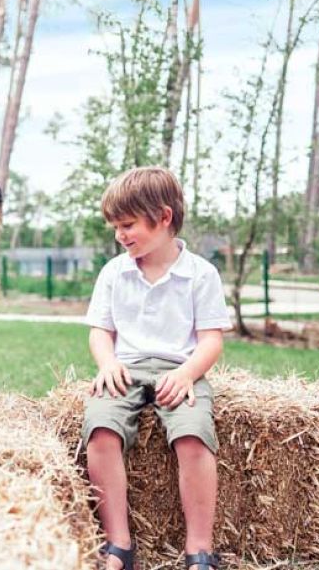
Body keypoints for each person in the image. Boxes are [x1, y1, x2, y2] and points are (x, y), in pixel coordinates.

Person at [82, 166, 231, 570]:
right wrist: (107, 362)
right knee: (100, 428)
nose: (120, 235)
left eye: (128, 224)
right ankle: (118, 544)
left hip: (180, 368)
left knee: (193, 435)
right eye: (115, 226)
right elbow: (100, 331)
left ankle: (199, 549)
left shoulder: (200, 274)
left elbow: (211, 340)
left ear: (164, 217)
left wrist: (186, 374)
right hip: (126, 367)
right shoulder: (114, 272)